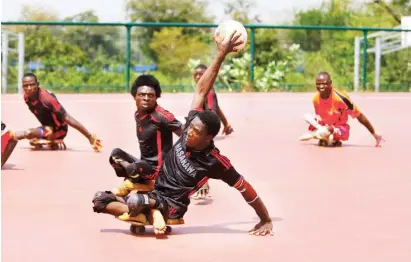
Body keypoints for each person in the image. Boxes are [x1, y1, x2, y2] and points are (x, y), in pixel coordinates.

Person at [92, 29, 274, 237]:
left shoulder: (215, 162)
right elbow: (201, 90)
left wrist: (265, 219)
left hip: (172, 205)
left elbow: (245, 188)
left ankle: (150, 213)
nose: (188, 132)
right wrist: (220, 55)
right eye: (190, 127)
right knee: (101, 200)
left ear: (208, 138)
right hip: (154, 192)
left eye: (195, 131)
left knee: (134, 200)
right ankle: (148, 215)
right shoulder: (190, 126)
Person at [109, 74, 183, 196]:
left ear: (156, 97)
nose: (146, 98)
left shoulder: (162, 116)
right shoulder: (137, 115)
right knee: (115, 155)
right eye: (142, 95)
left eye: (150, 95)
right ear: (135, 96)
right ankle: (140, 182)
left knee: (135, 167)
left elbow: (188, 137)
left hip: (158, 170)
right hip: (143, 166)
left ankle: (145, 184)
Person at [12, 73, 102, 151]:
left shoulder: (47, 99)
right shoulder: (27, 98)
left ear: (37, 84)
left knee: (26, 133)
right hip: (47, 127)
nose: (29, 88)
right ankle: (48, 139)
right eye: (26, 86)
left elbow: (67, 117)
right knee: (31, 138)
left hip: (59, 129)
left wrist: (89, 136)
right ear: (22, 86)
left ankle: (53, 138)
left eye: (32, 85)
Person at [299, 72, 384, 147]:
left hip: (340, 128)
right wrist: (322, 128)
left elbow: (359, 115)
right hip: (324, 126)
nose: (321, 86)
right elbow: (320, 117)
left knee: (330, 134)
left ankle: (325, 136)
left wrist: (374, 133)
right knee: (309, 118)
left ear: (330, 83)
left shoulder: (341, 99)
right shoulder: (315, 99)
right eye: (318, 84)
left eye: (324, 83)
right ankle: (325, 136)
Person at [190, 64, 234, 200]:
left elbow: (212, 111)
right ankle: (202, 184)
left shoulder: (208, 91)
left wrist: (201, 126)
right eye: (196, 74)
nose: (198, 77)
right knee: (200, 156)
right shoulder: (205, 90)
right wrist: (226, 124)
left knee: (199, 156)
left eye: (202, 74)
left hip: (205, 128)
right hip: (203, 127)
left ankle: (203, 186)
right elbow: (217, 108)